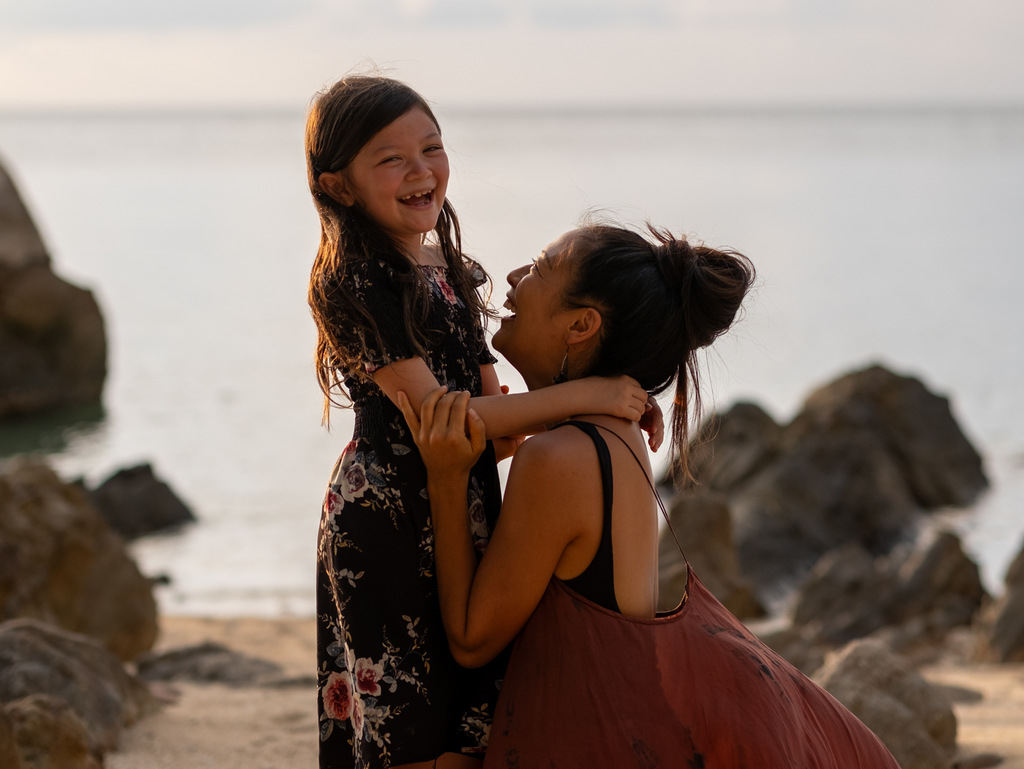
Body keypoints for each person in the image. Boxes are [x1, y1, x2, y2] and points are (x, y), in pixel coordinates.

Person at [400, 223, 902, 767]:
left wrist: (447, 479)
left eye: (540, 269)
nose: (514, 277)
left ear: (582, 325)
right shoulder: (619, 437)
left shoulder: (557, 460)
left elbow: (473, 639)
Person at [305, 76, 659, 769]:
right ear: (339, 186)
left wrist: (601, 402)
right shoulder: (351, 281)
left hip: (466, 509)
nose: (421, 170)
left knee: (472, 725)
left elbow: (496, 430)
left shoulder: (456, 273)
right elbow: (448, 418)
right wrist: (589, 392)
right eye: (391, 159)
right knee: (408, 729)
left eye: (431, 148)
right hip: (385, 522)